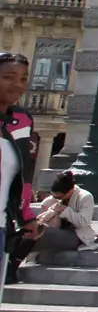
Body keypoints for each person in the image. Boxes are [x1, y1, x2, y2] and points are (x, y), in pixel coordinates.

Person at [2, 52, 38, 285]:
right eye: (8, 77)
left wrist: (26, 217)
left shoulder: (21, 120)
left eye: (24, 78)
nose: (17, 84)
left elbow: (23, 175)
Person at [19, 171, 98, 268]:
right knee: (31, 230)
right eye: (53, 196)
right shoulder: (56, 198)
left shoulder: (85, 197)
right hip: (58, 229)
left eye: (58, 197)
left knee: (42, 232)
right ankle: (13, 262)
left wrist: (65, 210)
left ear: (69, 192)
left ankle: (14, 263)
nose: (55, 198)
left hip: (77, 235)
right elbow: (49, 210)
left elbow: (84, 222)